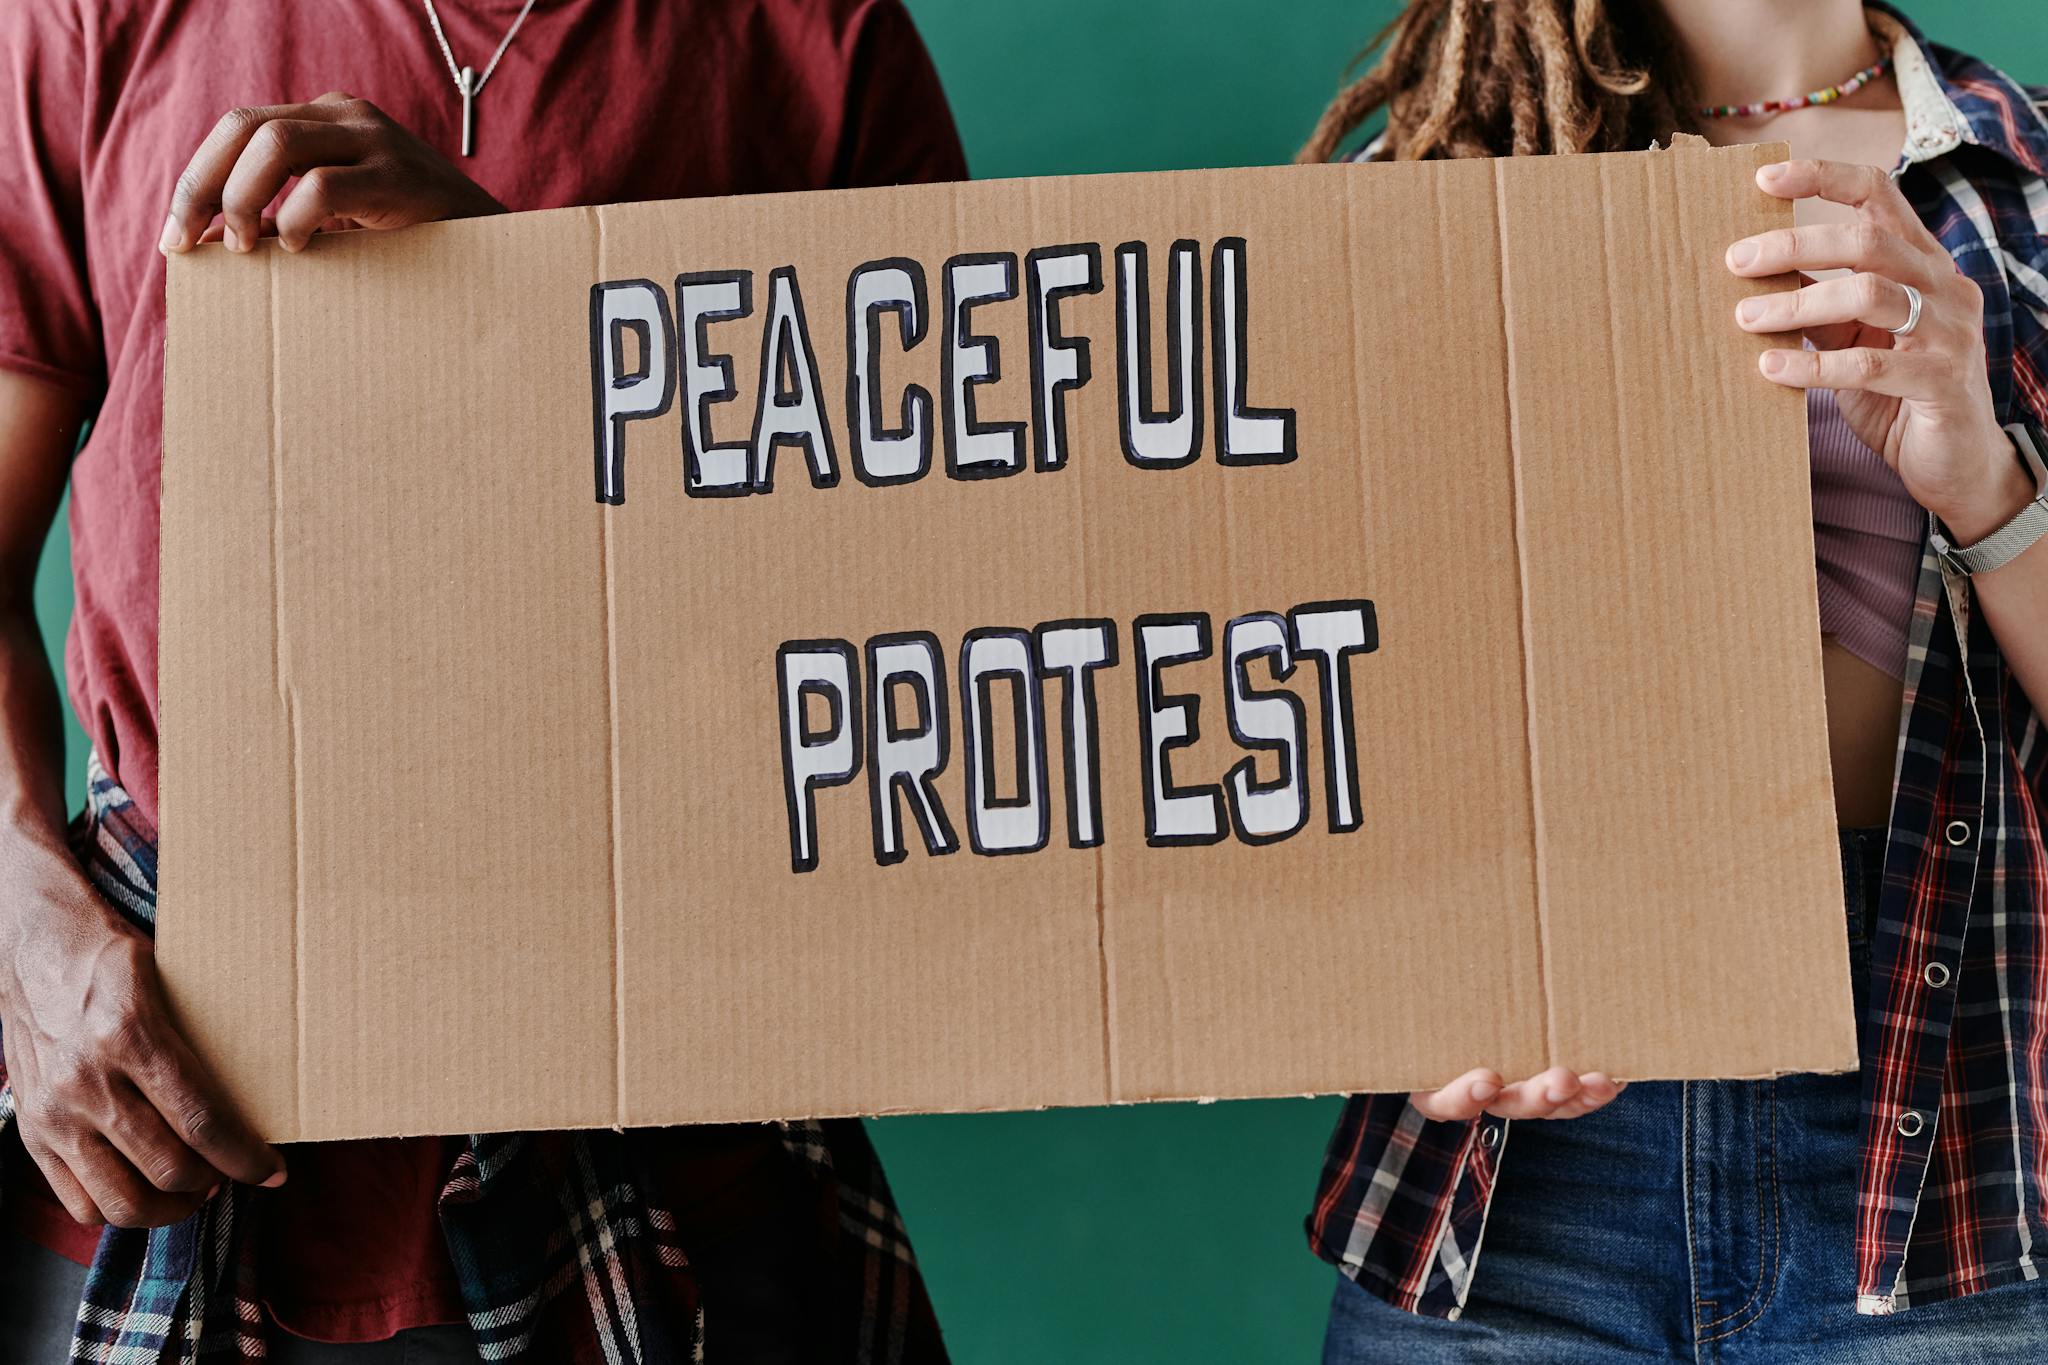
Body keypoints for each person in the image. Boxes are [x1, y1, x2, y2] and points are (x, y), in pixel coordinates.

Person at [0, 2, 966, 1361]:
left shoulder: (818, 37)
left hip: (661, 1089)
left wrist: (533, 306)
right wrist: (23, 934)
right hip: (160, 1088)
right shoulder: (90, 21)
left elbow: (940, 616)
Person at [1301, 2, 2048, 1360]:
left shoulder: (2029, 185)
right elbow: (1306, 691)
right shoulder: (1427, 194)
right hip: (1513, 1178)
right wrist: (1391, 966)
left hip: (1955, 1156)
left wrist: (1990, 481)